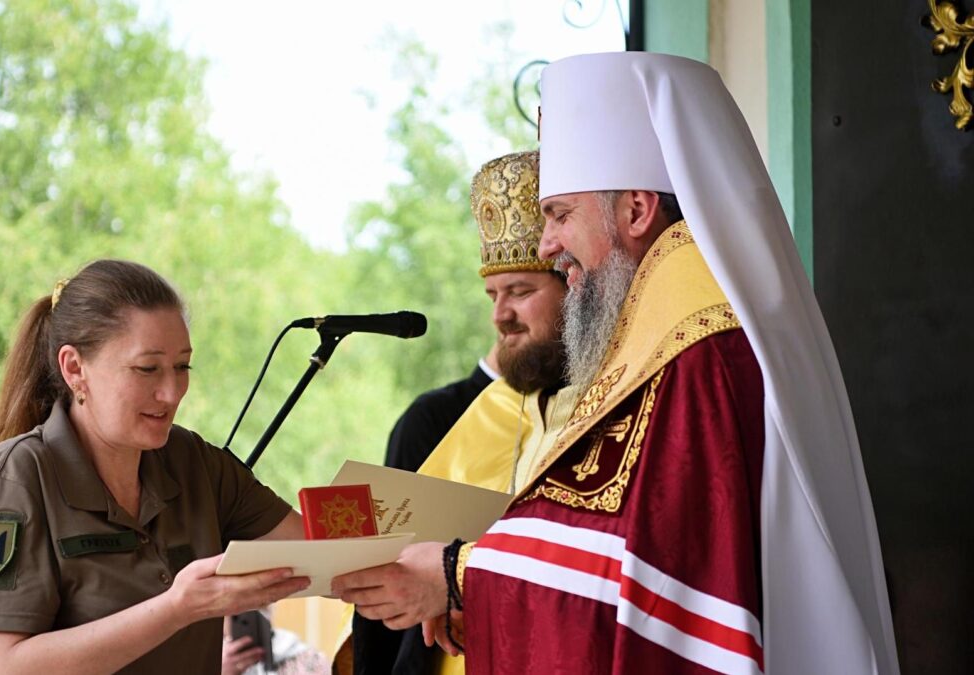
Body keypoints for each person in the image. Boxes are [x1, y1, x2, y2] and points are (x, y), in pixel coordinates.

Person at [334, 52, 898, 675]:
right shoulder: (685, 314)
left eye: (560, 215)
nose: (549, 245)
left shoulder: (692, 343)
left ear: (635, 210)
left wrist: (458, 574)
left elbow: (661, 570)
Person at [0, 259, 309, 675]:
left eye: (182, 366)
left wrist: (381, 568)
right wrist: (176, 608)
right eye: (147, 368)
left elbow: (317, 552)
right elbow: (2, 666)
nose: (171, 392)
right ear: (74, 368)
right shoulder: (20, 472)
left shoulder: (196, 461)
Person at [349, 150, 570, 675]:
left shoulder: (611, 402)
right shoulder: (445, 417)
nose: (500, 314)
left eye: (521, 291)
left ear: (575, 289)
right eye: (492, 294)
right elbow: (385, 572)